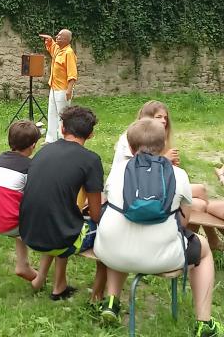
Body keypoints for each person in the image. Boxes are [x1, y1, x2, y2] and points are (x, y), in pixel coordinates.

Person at [94, 118, 223, 337]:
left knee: (121, 232)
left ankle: (112, 301)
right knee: (204, 250)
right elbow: (184, 222)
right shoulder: (178, 175)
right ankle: (204, 322)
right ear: (163, 145)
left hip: (110, 252)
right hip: (161, 257)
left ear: (131, 147)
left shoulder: (117, 172)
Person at [112, 100, 224, 251]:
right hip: (138, 190)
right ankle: (192, 241)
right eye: (158, 117)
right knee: (199, 201)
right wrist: (164, 160)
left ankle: (205, 239)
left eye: (165, 117)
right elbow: (136, 168)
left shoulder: (154, 136)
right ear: (146, 117)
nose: (164, 121)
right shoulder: (131, 137)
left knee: (201, 199)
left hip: (153, 186)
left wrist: (168, 165)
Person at [19, 106, 104, 300]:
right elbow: (96, 215)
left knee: (61, 217)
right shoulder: (91, 160)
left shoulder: (44, 150)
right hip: (59, 239)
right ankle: (98, 297)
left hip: (29, 232)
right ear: (90, 134)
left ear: (62, 128)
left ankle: (53, 283)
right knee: (102, 230)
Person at [0, 120, 41, 282]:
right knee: (50, 223)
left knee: (16, 208)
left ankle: (23, 264)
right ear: (33, 145)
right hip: (9, 224)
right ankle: (43, 277)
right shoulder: (30, 167)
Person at [39, 29, 77, 143]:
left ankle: (62, 139)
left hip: (63, 89)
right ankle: (50, 139)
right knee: (52, 113)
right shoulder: (58, 49)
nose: (57, 37)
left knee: (63, 115)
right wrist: (49, 40)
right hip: (54, 88)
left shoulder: (69, 53)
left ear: (66, 39)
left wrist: (69, 90)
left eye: (59, 36)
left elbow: (72, 73)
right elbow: (52, 47)